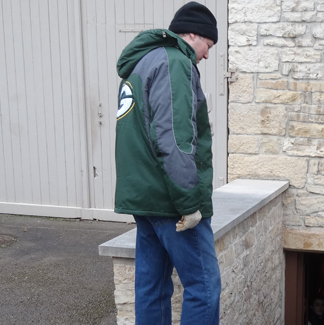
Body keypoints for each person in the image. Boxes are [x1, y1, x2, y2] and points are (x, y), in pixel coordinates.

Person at [113, 2, 219, 324]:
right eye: (208, 45)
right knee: (204, 286)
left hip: (145, 199)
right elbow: (174, 139)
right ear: (192, 34)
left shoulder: (142, 62)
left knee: (152, 287)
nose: (207, 55)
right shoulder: (175, 63)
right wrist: (189, 203)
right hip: (171, 202)